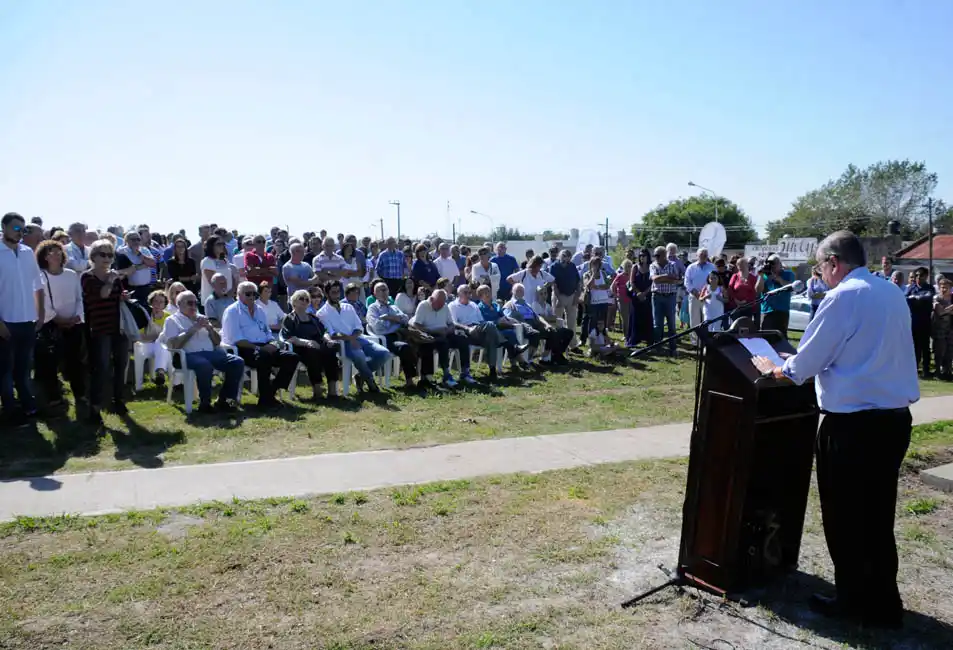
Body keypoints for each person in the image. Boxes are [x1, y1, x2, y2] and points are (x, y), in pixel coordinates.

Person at [751, 231, 918, 630]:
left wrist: (777, 368)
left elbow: (805, 364)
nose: (819, 275)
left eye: (819, 267)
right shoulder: (890, 291)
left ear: (833, 263)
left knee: (846, 517)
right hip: (894, 421)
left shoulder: (843, 296)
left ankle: (853, 600)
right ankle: (883, 602)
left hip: (853, 426)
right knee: (877, 516)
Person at [160, 290, 244, 413]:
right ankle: (205, 403)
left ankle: (224, 399)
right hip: (187, 355)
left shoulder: (202, 318)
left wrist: (210, 329)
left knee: (237, 362)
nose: (194, 306)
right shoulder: (172, 320)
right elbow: (174, 345)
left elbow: (217, 342)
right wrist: (193, 329)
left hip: (210, 353)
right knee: (204, 365)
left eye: (196, 303)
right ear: (179, 304)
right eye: (190, 303)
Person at [221, 281, 300, 409]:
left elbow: (267, 333)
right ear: (238, 295)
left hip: (263, 346)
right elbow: (236, 339)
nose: (252, 297)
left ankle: (270, 393)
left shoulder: (260, 310)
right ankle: (266, 400)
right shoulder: (232, 311)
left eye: (254, 294)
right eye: (248, 294)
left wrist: (273, 343)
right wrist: (260, 348)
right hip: (243, 348)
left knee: (292, 357)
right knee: (264, 356)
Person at [33, 239, 85, 412]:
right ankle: (54, 397)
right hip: (51, 325)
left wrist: (76, 317)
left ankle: (80, 394)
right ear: (44, 257)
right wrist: (58, 320)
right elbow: (42, 302)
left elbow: (79, 298)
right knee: (50, 364)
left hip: (74, 324)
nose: (56, 255)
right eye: (51, 253)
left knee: (75, 361)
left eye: (58, 252)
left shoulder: (71, 274)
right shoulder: (40, 276)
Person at [81, 238, 128, 424]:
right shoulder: (87, 277)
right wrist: (110, 280)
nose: (107, 258)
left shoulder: (113, 276)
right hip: (99, 329)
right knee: (101, 368)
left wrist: (123, 296)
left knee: (121, 365)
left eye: (110, 255)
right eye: (103, 255)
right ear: (93, 256)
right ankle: (95, 408)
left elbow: (117, 296)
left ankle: (119, 400)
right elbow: (102, 294)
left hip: (118, 327)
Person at [317, 280, 390, 393]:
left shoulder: (348, 307)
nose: (337, 295)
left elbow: (359, 327)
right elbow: (332, 334)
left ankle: (360, 376)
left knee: (384, 353)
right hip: (342, 343)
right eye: (333, 292)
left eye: (338, 292)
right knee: (359, 355)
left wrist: (353, 338)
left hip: (358, 338)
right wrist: (351, 339)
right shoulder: (322, 313)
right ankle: (370, 381)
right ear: (326, 294)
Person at [280, 289, 340, 400]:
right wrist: (307, 342)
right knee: (312, 353)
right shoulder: (289, 318)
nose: (304, 301)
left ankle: (332, 391)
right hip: (300, 348)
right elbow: (289, 337)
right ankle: (317, 390)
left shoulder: (313, 318)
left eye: (307, 299)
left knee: (331, 351)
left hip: (317, 344)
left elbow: (324, 332)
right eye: (301, 299)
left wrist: (328, 340)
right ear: (294, 302)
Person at [448, 284, 513, 381]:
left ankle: (492, 371)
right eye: (465, 292)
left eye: (470, 293)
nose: (468, 295)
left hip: (478, 329)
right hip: (464, 332)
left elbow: (481, 321)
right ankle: (508, 345)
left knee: (491, 337)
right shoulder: (453, 305)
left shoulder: (473, 305)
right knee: (490, 326)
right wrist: (467, 328)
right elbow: (453, 322)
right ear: (459, 294)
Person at [410, 289, 472, 387]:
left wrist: (447, 331)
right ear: (431, 299)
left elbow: (451, 324)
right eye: (438, 304)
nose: (440, 306)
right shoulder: (423, 306)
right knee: (442, 343)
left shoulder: (445, 306)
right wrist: (434, 331)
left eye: (442, 304)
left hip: (444, 333)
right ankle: (446, 374)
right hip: (429, 334)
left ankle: (465, 372)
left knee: (463, 339)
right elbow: (416, 325)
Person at [366, 282, 420, 389]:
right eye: (381, 290)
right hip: (385, 338)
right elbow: (377, 327)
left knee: (421, 344)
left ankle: (423, 377)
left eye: (385, 289)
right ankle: (411, 379)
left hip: (400, 335)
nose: (384, 292)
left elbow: (405, 319)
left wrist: (390, 318)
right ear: (375, 294)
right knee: (405, 347)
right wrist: (395, 320)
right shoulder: (373, 308)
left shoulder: (393, 307)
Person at [503, 283, 572, 365]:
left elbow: (538, 317)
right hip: (523, 326)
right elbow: (507, 318)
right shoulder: (510, 304)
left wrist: (546, 324)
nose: (520, 292)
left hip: (535, 324)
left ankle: (545, 358)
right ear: (513, 292)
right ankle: (528, 360)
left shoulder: (526, 304)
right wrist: (520, 321)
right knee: (535, 334)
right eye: (518, 290)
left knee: (551, 331)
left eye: (522, 291)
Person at [649, 246, 680, 357]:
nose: (656, 258)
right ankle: (658, 347)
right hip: (657, 297)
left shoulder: (672, 265)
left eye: (658, 255)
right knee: (658, 324)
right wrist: (667, 276)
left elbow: (676, 279)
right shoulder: (653, 265)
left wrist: (662, 278)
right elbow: (655, 279)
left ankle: (673, 348)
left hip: (670, 297)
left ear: (664, 255)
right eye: (655, 256)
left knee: (672, 324)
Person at [755, 254, 795, 337]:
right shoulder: (764, 275)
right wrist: (761, 276)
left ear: (780, 264)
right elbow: (758, 291)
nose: (772, 266)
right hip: (767, 310)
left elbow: (791, 287)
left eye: (774, 263)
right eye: (769, 263)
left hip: (782, 311)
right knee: (765, 337)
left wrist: (776, 278)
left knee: (781, 337)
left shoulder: (788, 274)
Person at [549, 249, 582, 350]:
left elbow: (578, 281)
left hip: (572, 296)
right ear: (560, 256)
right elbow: (553, 284)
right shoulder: (554, 266)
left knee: (572, 321)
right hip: (559, 295)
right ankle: (557, 344)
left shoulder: (572, 266)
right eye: (563, 255)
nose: (565, 258)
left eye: (568, 256)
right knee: (557, 321)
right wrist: (558, 298)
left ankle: (573, 344)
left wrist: (577, 296)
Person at [905, 267, 935, 378]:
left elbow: (928, 297)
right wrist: (916, 298)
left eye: (921, 275)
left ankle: (926, 370)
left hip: (925, 322)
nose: (918, 278)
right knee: (914, 347)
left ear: (926, 276)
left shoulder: (929, 288)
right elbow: (906, 298)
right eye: (916, 275)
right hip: (913, 322)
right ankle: (915, 369)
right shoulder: (911, 288)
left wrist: (915, 298)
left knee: (925, 347)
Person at [115, 230, 158, 304]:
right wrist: (141, 265)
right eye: (133, 239)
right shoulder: (121, 251)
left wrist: (138, 254)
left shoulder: (144, 250)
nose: (136, 241)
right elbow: (120, 270)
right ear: (126, 240)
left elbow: (153, 263)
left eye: (138, 239)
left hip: (146, 288)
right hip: (131, 289)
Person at [684, 248, 715, 341]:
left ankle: (706, 341)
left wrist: (706, 293)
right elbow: (687, 282)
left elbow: (715, 281)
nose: (704, 256)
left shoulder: (712, 267)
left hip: (708, 297)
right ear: (697, 255)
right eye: (701, 254)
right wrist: (696, 294)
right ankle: (695, 341)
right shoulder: (691, 267)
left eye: (705, 255)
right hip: (694, 296)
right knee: (694, 320)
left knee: (707, 319)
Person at [627, 249, 653, 348]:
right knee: (635, 317)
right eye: (641, 255)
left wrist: (645, 293)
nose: (642, 257)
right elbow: (632, 282)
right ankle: (634, 339)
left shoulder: (652, 267)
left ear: (648, 256)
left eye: (644, 255)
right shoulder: (635, 267)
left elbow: (653, 283)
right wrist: (638, 293)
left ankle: (648, 339)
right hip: (636, 296)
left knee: (647, 317)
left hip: (648, 296)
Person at [581, 256, 612, 341]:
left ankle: (601, 338)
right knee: (591, 321)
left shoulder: (603, 273)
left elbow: (607, 285)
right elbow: (588, 286)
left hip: (603, 301)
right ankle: (587, 339)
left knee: (602, 321)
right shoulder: (587, 274)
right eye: (593, 264)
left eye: (597, 264)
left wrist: (597, 287)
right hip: (592, 302)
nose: (595, 266)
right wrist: (593, 275)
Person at [200, 235, 237, 303]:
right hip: (214, 300)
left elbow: (232, 279)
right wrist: (225, 295)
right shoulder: (207, 261)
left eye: (223, 244)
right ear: (211, 246)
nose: (222, 246)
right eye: (218, 244)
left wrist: (231, 292)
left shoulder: (225, 260)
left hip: (229, 298)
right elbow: (213, 282)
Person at [728, 257, 759, 327]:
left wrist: (745, 301)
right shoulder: (735, 276)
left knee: (746, 326)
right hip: (736, 307)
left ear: (747, 265)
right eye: (738, 264)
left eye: (742, 264)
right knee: (735, 327)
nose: (740, 266)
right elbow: (730, 289)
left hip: (748, 307)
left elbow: (754, 292)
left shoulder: (753, 278)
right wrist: (736, 300)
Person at [933, 276, 953, 380]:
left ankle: (948, 372)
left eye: (946, 287)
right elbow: (940, 312)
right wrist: (950, 309)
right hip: (939, 329)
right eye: (942, 287)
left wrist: (945, 310)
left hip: (950, 329)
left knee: (949, 352)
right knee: (940, 351)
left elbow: (943, 311)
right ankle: (938, 372)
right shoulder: (937, 298)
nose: (944, 289)